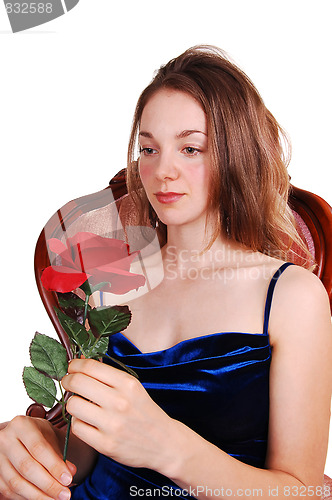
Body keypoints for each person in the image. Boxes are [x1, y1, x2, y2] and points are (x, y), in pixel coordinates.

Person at [0, 45, 331, 500]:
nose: (162, 171)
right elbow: (77, 462)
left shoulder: (293, 296)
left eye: (190, 148)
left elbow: (305, 490)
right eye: (149, 149)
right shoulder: (108, 284)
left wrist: (170, 449)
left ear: (237, 155)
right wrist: (33, 448)